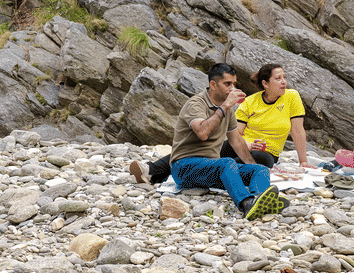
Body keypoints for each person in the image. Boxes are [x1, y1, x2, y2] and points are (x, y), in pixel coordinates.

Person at [130, 63, 310, 183]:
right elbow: (236, 133)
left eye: (284, 77)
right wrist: (246, 143)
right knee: (202, 149)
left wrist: (303, 161)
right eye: (278, 78)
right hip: (241, 145)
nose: (284, 81)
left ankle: (206, 172)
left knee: (260, 160)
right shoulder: (249, 102)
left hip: (267, 152)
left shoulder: (291, 97)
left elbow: (297, 131)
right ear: (265, 83)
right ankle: (151, 171)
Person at [165, 63, 288, 220]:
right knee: (227, 163)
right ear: (213, 85)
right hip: (184, 168)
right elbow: (203, 133)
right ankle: (246, 203)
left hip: (211, 167)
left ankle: (261, 199)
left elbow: (236, 141)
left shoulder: (228, 109)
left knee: (260, 170)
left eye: (234, 84)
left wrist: (252, 165)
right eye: (227, 84)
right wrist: (224, 107)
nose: (232, 88)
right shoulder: (196, 104)